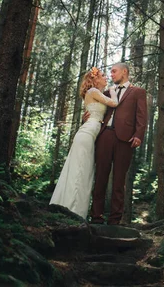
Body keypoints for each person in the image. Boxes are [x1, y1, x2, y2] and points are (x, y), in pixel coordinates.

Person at [49, 67, 118, 219]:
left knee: (84, 172)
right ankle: (73, 211)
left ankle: (72, 210)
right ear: (95, 79)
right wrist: (113, 90)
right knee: (81, 171)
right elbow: (114, 103)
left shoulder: (94, 93)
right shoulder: (93, 91)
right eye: (102, 75)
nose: (105, 77)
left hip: (90, 133)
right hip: (87, 134)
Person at [86, 62, 148, 225]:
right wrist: (88, 117)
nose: (111, 74)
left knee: (119, 180)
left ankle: (114, 219)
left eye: (114, 71)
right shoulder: (106, 92)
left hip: (125, 139)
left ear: (124, 72)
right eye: (110, 72)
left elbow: (142, 116)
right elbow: (96, 110)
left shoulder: (138, 92)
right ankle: (96, 216)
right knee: (100, 176)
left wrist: (138, 135)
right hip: (105, 135)